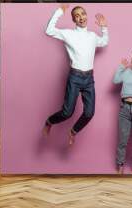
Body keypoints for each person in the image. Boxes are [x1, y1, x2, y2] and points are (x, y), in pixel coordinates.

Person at [42, 4, 109, 146]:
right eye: (77, 16)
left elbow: (104, 42)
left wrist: (104, 28)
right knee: (67, 113)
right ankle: (49, 121)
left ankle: (73, 131)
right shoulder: (69, 34)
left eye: (83, 13)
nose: (81, 17)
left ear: (86, 16)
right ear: (74, 20)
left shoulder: (92, 36)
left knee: (89, 113)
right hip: (75, 77)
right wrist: (59, 11)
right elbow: (49, 30)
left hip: (89, 79)